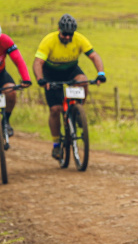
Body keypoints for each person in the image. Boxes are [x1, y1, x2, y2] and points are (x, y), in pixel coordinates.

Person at [33, 15, 106, 160]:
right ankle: (56, 145)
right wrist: (40, 79)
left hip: (71, 70)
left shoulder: (79, 39)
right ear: (59, 29)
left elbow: (94, 56)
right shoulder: (49, 40)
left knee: (83, 81)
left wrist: (101, 73)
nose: (67, 37)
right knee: (55, 110)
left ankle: (78, 111)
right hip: (51, 74)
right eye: (64, 34)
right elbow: (38, 62)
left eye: (70, 35)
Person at [0, 24, 33, 139]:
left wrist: (26, 79)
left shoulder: (5, 40)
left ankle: (6, 121)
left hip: (1, 74)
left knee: (11, 92)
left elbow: (18, 60)